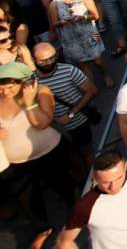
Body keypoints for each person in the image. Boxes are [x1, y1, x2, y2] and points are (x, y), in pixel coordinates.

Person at [0, 61, 74, 249]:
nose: (5, 91)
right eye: (1, 86)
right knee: (27, 200)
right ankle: (43, 229)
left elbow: (42, 123)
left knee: (62, 184)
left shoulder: (41, 92)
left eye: (10, 86)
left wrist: (29, 103)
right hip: (17, 162)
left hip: (49, 152)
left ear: (24, 82)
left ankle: (76, 213)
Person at [56, 151, 127, 249]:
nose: (113, 186)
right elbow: (64, 242)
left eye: (118, 177)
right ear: (94, 177)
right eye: (105, 182)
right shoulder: (85, 205)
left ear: (126, 166)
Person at [31, 42, 98, 186]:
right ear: (33, 60)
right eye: (43, 60)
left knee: (86, 153)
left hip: (77, 123)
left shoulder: (69, 71)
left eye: (51, 58)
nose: (49, 63)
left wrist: (71, 114)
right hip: (53, 129)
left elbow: (91, 90)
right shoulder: (31, 82)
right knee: (70, 157)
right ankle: (82, 185)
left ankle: (95, 182)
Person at [46, 0, 112, 88]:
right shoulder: (54, 4)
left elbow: (95, 15)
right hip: (70, 38)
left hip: (88, 34)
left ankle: (105, 75)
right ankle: (92, 85)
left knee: (98, 61)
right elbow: (54, 23)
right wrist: (61, 22)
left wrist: (83, 17)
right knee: (81, 64)